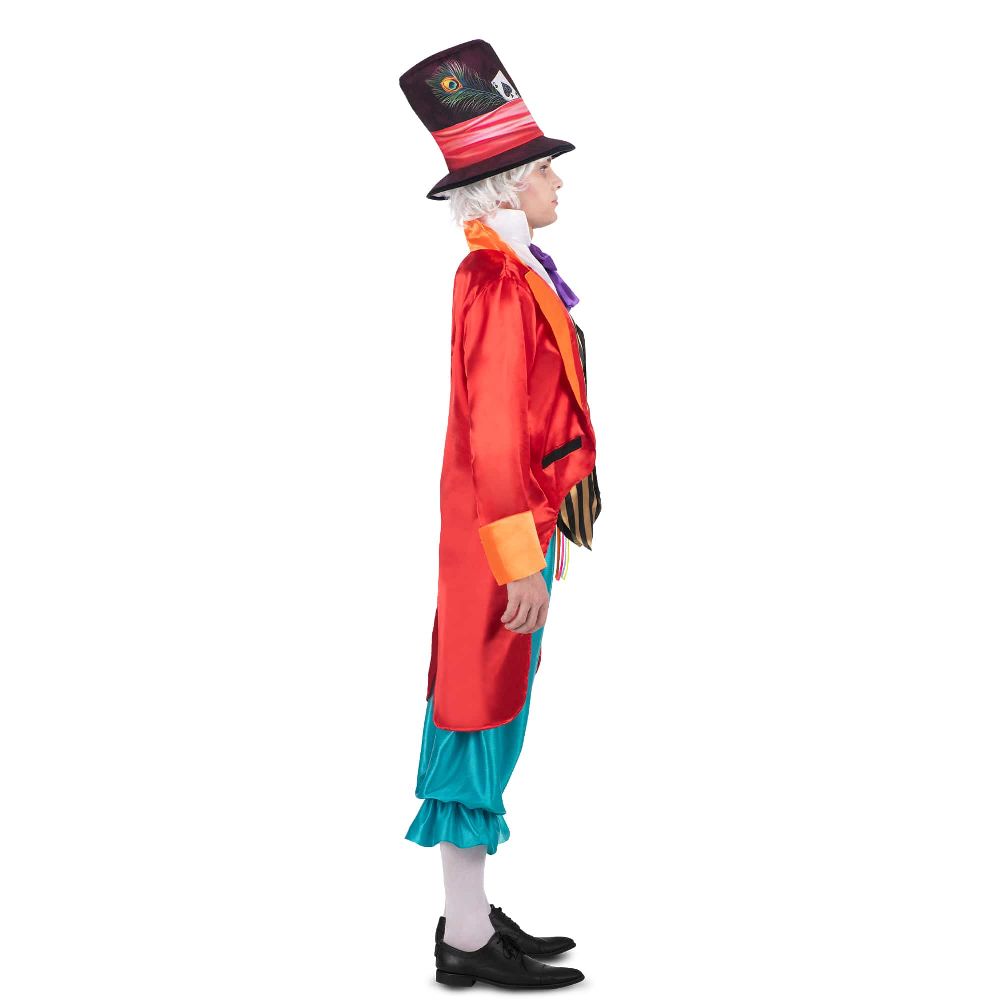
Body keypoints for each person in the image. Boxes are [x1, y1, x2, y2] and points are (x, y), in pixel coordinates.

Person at [398, 39, 602, 990]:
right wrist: (521, 559)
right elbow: (489, 433)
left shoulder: (516, 271)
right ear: (512, 184)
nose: (558, 181)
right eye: (546, 169)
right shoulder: (490, 280)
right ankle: (467, 940)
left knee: (499, 714)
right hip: (499, 538)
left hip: (521, 528)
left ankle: (472, 918)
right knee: (477, 718)